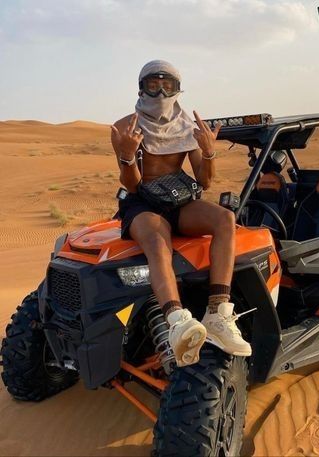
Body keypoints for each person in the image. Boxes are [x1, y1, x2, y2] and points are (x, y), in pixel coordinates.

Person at [110, 60, 251, 367]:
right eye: (153, 85)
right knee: (158, 241)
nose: (160, 92)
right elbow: (132, 186)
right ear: (141, 86)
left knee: (225, 219)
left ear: (178, 89)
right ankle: (176, 319)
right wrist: (127, 157)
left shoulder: (187, 126)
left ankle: (218, 313)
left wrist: (209, 150)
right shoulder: (124, 128)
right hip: (142, 203)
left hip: (177, 199)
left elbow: (204, 180)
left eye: (168, 85)